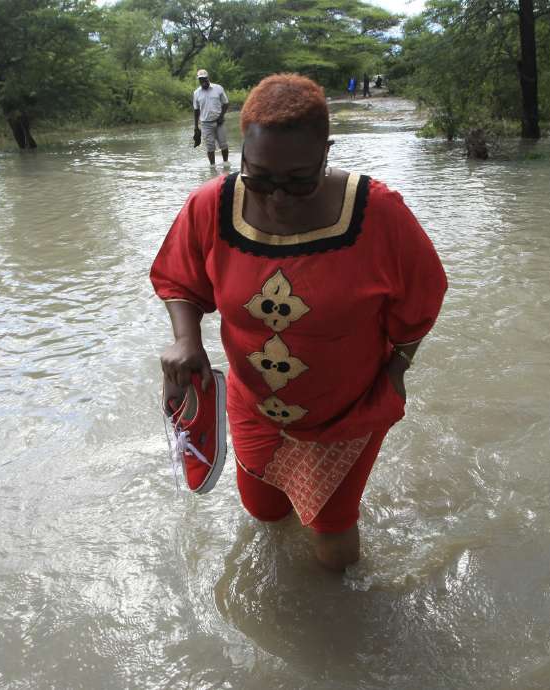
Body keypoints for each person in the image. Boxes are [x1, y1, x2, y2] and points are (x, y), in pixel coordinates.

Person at [152, 74, 447, 571]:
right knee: (264, 513)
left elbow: (423, 300)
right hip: (254, 405)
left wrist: (396, 370)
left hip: (347, 414)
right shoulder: (211, 206)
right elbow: (179, 279)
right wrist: (186, 340)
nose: (279, 198)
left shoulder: (379, 214)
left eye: (299, 181)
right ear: (242, 153)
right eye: (260, 179)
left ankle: (343, 621)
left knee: (331, 536)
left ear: (326, 152)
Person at [193, 69, 230, 166]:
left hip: (219, 122)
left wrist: (221, 116)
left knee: (224, 144)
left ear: (208, 78)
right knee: (210, 147)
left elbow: (226, 103)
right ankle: (212, 167)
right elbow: (196, 110)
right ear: (199, 80)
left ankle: (226, 163)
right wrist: (196, 127)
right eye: (200, 79)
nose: (203, 81)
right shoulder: (196, 93)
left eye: (204, 79)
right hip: (206, 124)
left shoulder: (218, 88)